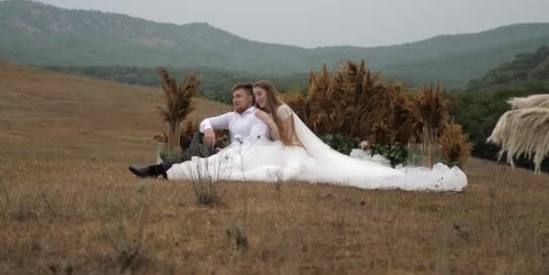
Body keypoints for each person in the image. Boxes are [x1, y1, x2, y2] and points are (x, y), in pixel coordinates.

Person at [166, 80, 468, 192]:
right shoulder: (261, 112)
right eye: (254, 95)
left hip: (287, 149)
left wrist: (265, 119)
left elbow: (284, 139)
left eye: (259, 94)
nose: (256, 99)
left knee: (270, 166)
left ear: (267, 94)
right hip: (266, 146)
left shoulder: (280, 112)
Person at [128, 83, 269, 179]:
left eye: (238, 96)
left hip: (238, 159)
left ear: (250, 99)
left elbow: (254, 144)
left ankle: (156, 170)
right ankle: (166, 171)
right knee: (199, 136)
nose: (234, 100)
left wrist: (225, 151)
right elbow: (205, 122)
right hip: (226, 153)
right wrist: (208, 130)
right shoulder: (232, 116)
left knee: (198, 150)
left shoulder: (257, 116)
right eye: (233, 97)